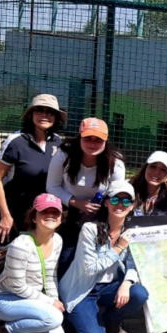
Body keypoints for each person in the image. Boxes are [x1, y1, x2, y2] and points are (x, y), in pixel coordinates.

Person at [59, 181, 149, 333]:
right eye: (115, 200)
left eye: (126, 201)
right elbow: (90, 268)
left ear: (132, 206)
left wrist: (126, 284)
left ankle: (111, 320)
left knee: (139, 293)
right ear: (106, 202)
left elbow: (134, 264)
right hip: (83, 289)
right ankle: (74, 318)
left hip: (110, 287)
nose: (120, 205)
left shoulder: (131, 232)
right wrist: (118, 248)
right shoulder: (90, 229)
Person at [0, 193, 66, 333]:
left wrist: (54, 299)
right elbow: (17, 286)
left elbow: (50, 276)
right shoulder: (21, 245)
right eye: (44, 211)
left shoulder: (57, 240)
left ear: (60, 218)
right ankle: (4, 331)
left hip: (31, 300)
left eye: (55, 212)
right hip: (5, 299)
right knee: (54, 318)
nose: (50, 215)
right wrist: (49, 303)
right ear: (34, 217)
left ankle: (18, 327)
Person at [46, 117, 125, 277]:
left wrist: (98, 211)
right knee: (66, 256)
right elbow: (52, 186)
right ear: (80, 137)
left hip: (101, 213)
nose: (92, 144)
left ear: (106, 141)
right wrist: (76, 203)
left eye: (98, 140)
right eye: (88, 138)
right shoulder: (64, 155)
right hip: (69, 212)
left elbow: (117, 193)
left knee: (93, 259)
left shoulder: (114, 162)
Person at [0, 94, 65, 247]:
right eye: (39, 110)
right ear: (30, 115)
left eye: (49, 112)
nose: (44, 115)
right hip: (12, 214)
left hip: (39, 215)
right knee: (9, 263)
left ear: (56, 117)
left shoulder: (58, 142)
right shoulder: (16, 141)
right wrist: (5, 216)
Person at [129, 151, 167, 216]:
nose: (156, 172)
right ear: (145, 168)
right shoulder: (127, 190)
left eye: (163, 169)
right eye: (153, 166)